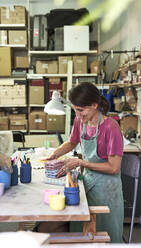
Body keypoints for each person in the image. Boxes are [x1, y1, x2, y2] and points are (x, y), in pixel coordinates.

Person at [40, 82, 124, 242]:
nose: (77, 115)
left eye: (80, 110)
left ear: (94, 105)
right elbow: (72, 142)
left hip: (108, 189)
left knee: (106, 235)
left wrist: (81, 163)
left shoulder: (111, 127)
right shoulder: (80, 122)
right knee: (83, 231)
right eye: (75, 110)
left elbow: (114, 167)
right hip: (89, 182)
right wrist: (55, 154)